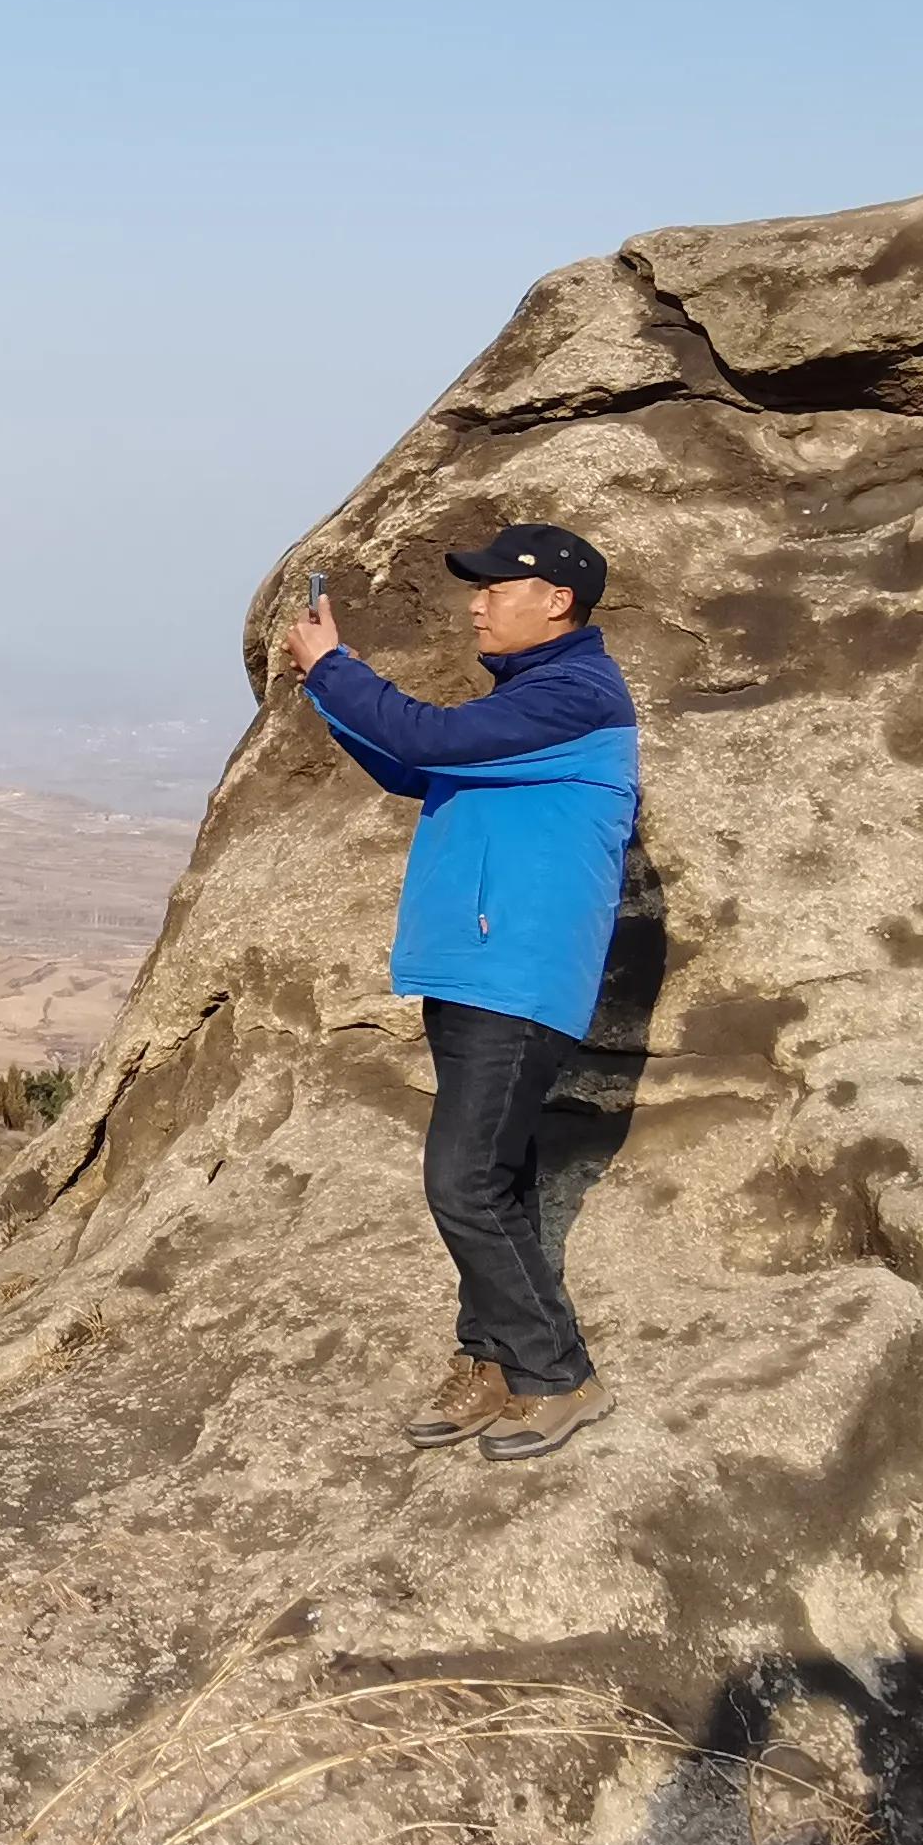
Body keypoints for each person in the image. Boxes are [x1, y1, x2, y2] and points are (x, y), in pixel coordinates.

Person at [278, 522, 640, 1462]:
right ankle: (493, 1361)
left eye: (493, 589)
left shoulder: (574, 695)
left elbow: (425, 733)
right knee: (498, 1176)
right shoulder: (535, 699)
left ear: (555, 600)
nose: (475, 604)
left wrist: (333, 668)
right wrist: (330, 696)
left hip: (515, 974)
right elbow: (411, 764)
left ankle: (558, 1375)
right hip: (477, 967)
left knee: (464, 1180)